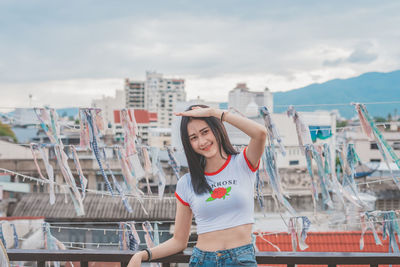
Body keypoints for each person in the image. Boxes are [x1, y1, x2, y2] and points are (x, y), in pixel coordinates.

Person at [128, 105, 267, 267]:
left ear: (217, 129)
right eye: (193, 138)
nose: (202, 142)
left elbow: (260, 133)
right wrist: (143, 255)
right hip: (203, 261)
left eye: (205, 132)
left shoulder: (243, 163)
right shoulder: (186, 183)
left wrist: (214, 113)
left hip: (241, 259)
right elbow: (179, 241)